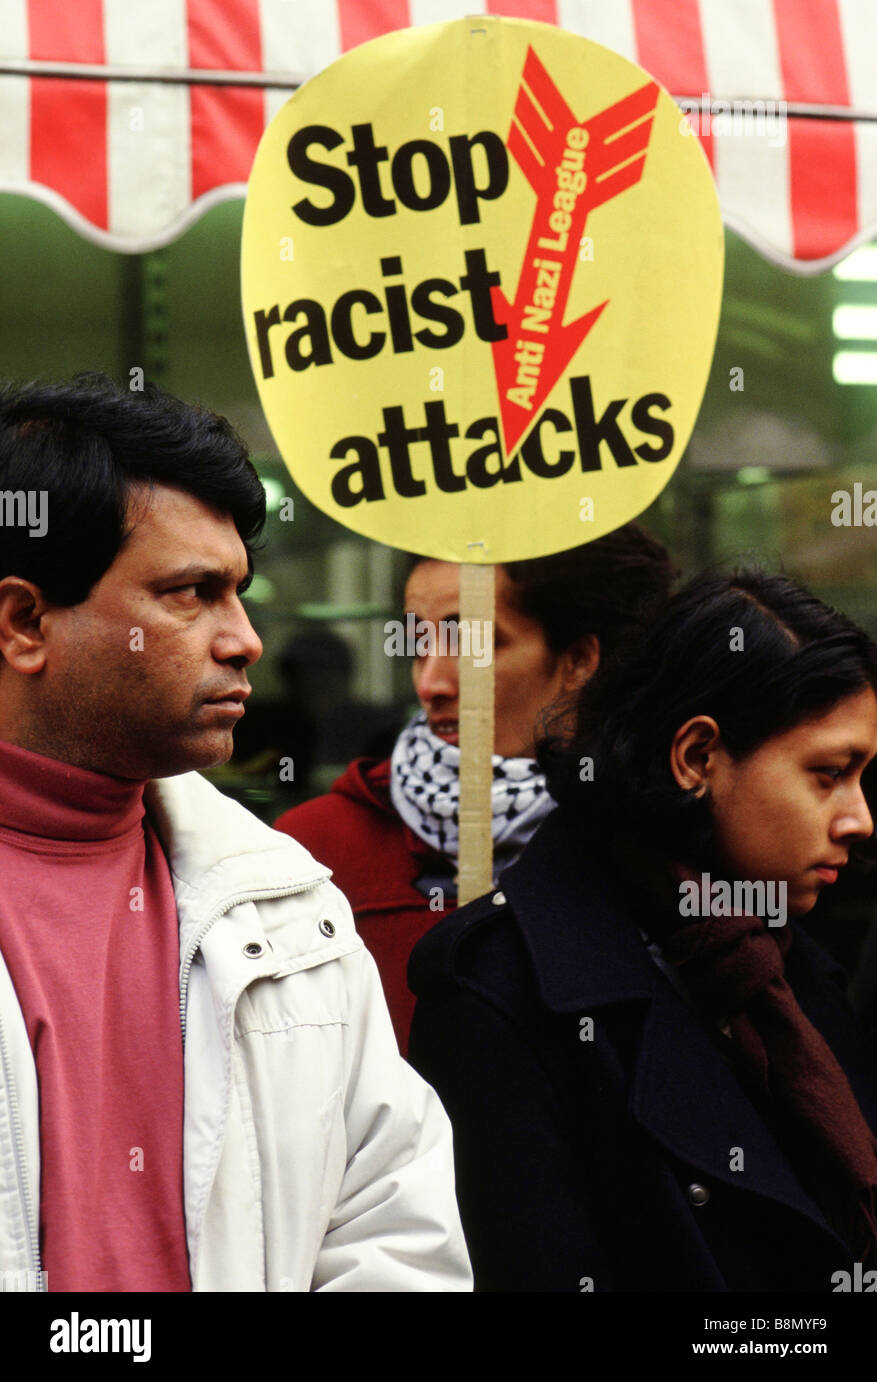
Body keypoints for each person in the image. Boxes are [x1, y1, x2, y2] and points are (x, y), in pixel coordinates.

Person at [0, 374, 471, 1293]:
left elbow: (392, 1223)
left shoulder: (286, 904)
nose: (245, 638)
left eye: (240, 593)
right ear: (25, 622)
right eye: (191, 594)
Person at [408, 568, 877, 1291]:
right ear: (696, 758)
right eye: (827, 774)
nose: (858, 819)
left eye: (860, 777)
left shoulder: (784, 961)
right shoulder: (500, 986)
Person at [275, 528, 675, 1053]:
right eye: (419, 643)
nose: (430, 683)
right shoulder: (316, 850)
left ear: (578, 661)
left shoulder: (667, 844)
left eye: (470, 641)